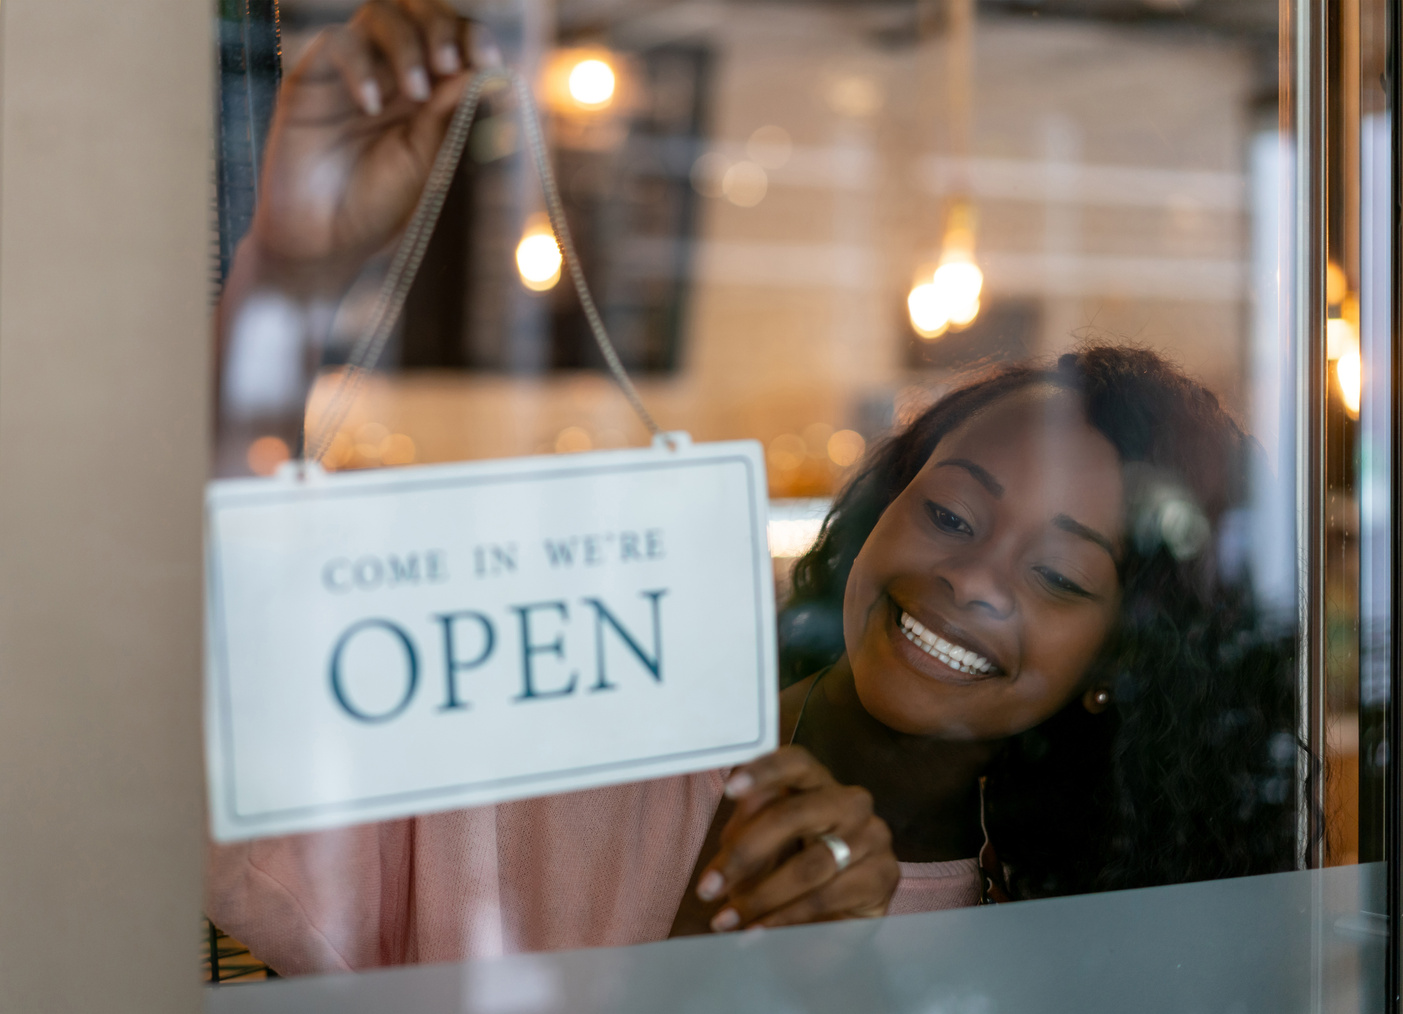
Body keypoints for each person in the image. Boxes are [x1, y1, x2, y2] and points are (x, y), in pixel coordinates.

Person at [207, 0, 1298, 974]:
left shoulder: (1066, 952)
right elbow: (197, 704)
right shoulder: (571, 728)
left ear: (1123, 656)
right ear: (874, 521)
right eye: (950, 512)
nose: (969, 576)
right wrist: (294, 270)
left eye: (1059, 574)